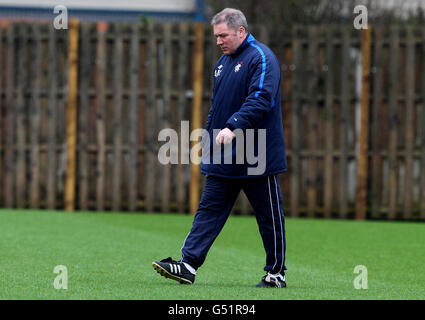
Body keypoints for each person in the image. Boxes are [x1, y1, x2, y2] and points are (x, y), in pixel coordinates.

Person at [152, 8, 288, 288]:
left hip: (257, 152)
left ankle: (276, 273)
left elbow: (262, 98)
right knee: (209, 210)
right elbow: (217, 106)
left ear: (240, 31)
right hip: (224, 153)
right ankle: (188, 265)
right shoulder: (222, 64)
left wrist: (234, 125)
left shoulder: (261, 58)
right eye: (216, 36)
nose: (218, 41)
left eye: (223, 35)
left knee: (268, 216)